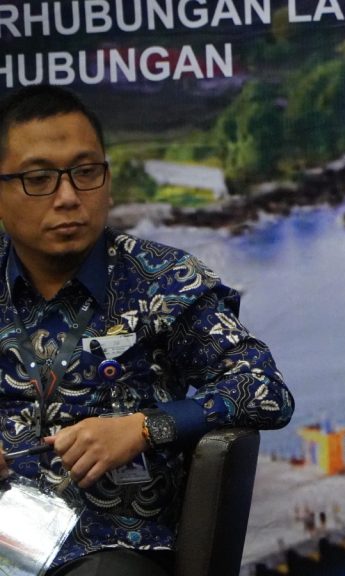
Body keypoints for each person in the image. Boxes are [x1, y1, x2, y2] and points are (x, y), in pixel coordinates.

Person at [0, 85, 294, 575]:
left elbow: (264, 389)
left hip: (112, 545)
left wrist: (143, 428)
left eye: (85, 173)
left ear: (108, 180)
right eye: (39, 179)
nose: (68, 197)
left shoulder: (164, 281)